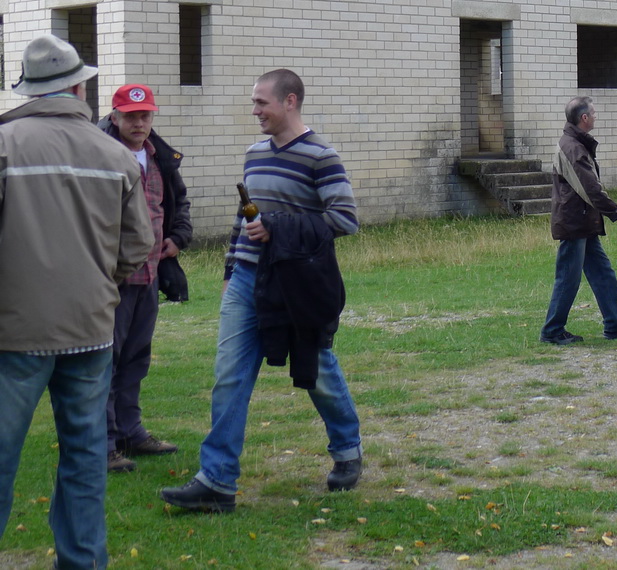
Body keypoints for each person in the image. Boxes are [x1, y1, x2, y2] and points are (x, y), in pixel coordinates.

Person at [161, 69, 363, 513]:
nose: (254, 111)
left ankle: (348, 449)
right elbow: (244, 217)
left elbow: (345, 219)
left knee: (316, 369)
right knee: (229, 376)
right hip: (247, 281)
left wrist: (277, 227)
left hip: (296, 285)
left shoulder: (321, 156)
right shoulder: (254, 155)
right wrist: (231, 269)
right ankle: (217, 481)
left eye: (261, 103)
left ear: (290, 101)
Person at [0, 34, 154, 570]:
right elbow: (137, 245)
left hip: (14, 334)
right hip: (91, 329)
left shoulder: (5, 145)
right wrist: (98, 285)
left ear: (28, 89)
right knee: (86, 458)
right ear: (78, 87)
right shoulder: (116, 154)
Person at [99, 84, 193, 473]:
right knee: (105, 360)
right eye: (130, 116)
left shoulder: (160, 156)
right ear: (115, 116)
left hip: (150, 274)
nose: (138, 123)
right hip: (111, 278)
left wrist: (178, 237)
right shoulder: (99, 153)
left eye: (145, 115)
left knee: (136, 357)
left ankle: (130, 432)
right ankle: (103, 444)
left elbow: (178, 202)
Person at [542, 96, 617, 345]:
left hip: (584, 222)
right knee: (568, 278)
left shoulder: (576, 143)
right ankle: (552, 331)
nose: (597, 116)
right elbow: (591, 190)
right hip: (574, 224)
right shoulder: (573, 149)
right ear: (584, 118)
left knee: (602, 273)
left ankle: (615, 325)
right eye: (594, 113)